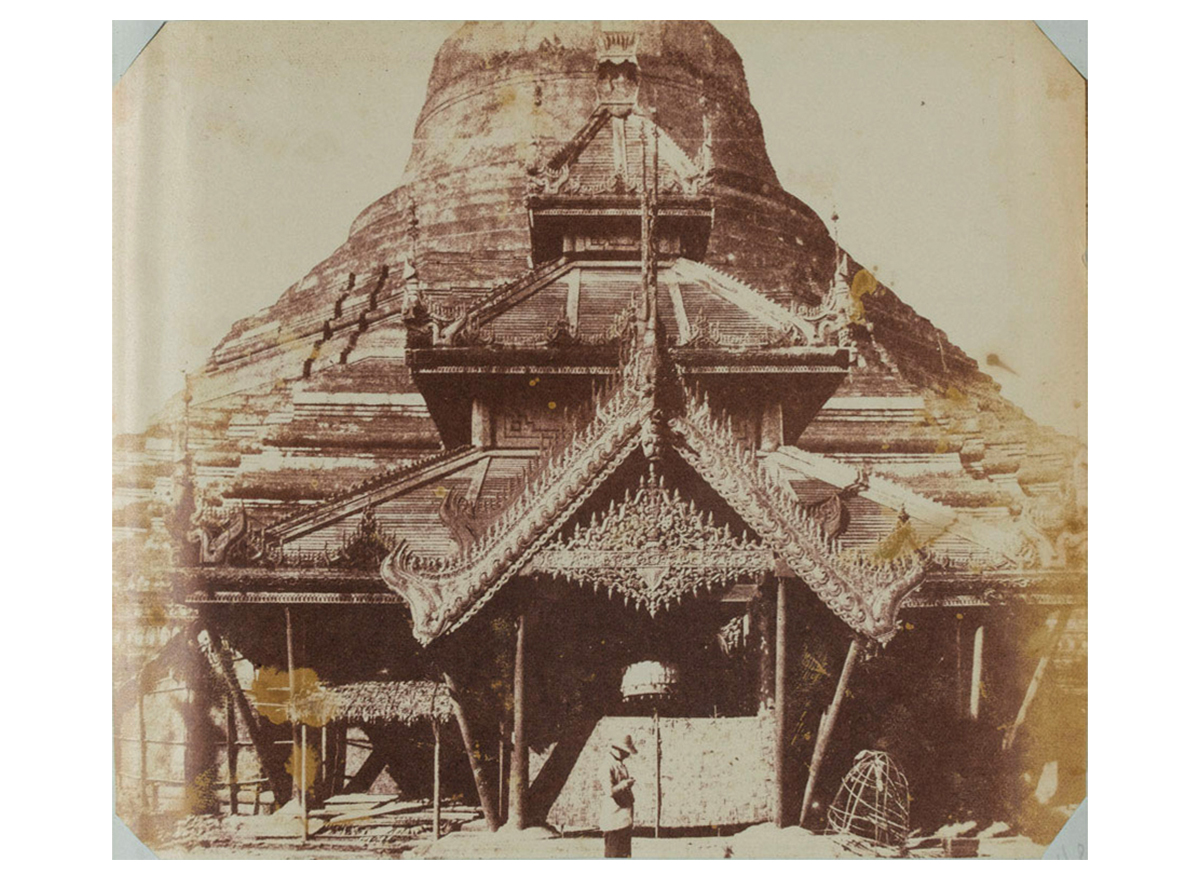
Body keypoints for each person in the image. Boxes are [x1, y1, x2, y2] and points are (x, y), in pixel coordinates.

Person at [600, 734, 638, 858]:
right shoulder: (607, 765)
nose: (627, 755)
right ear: (618, 749)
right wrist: (624, 784)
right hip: (614, 821)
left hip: (623, 820)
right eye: (625, 752)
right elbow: (609, 791)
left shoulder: (619, 763)